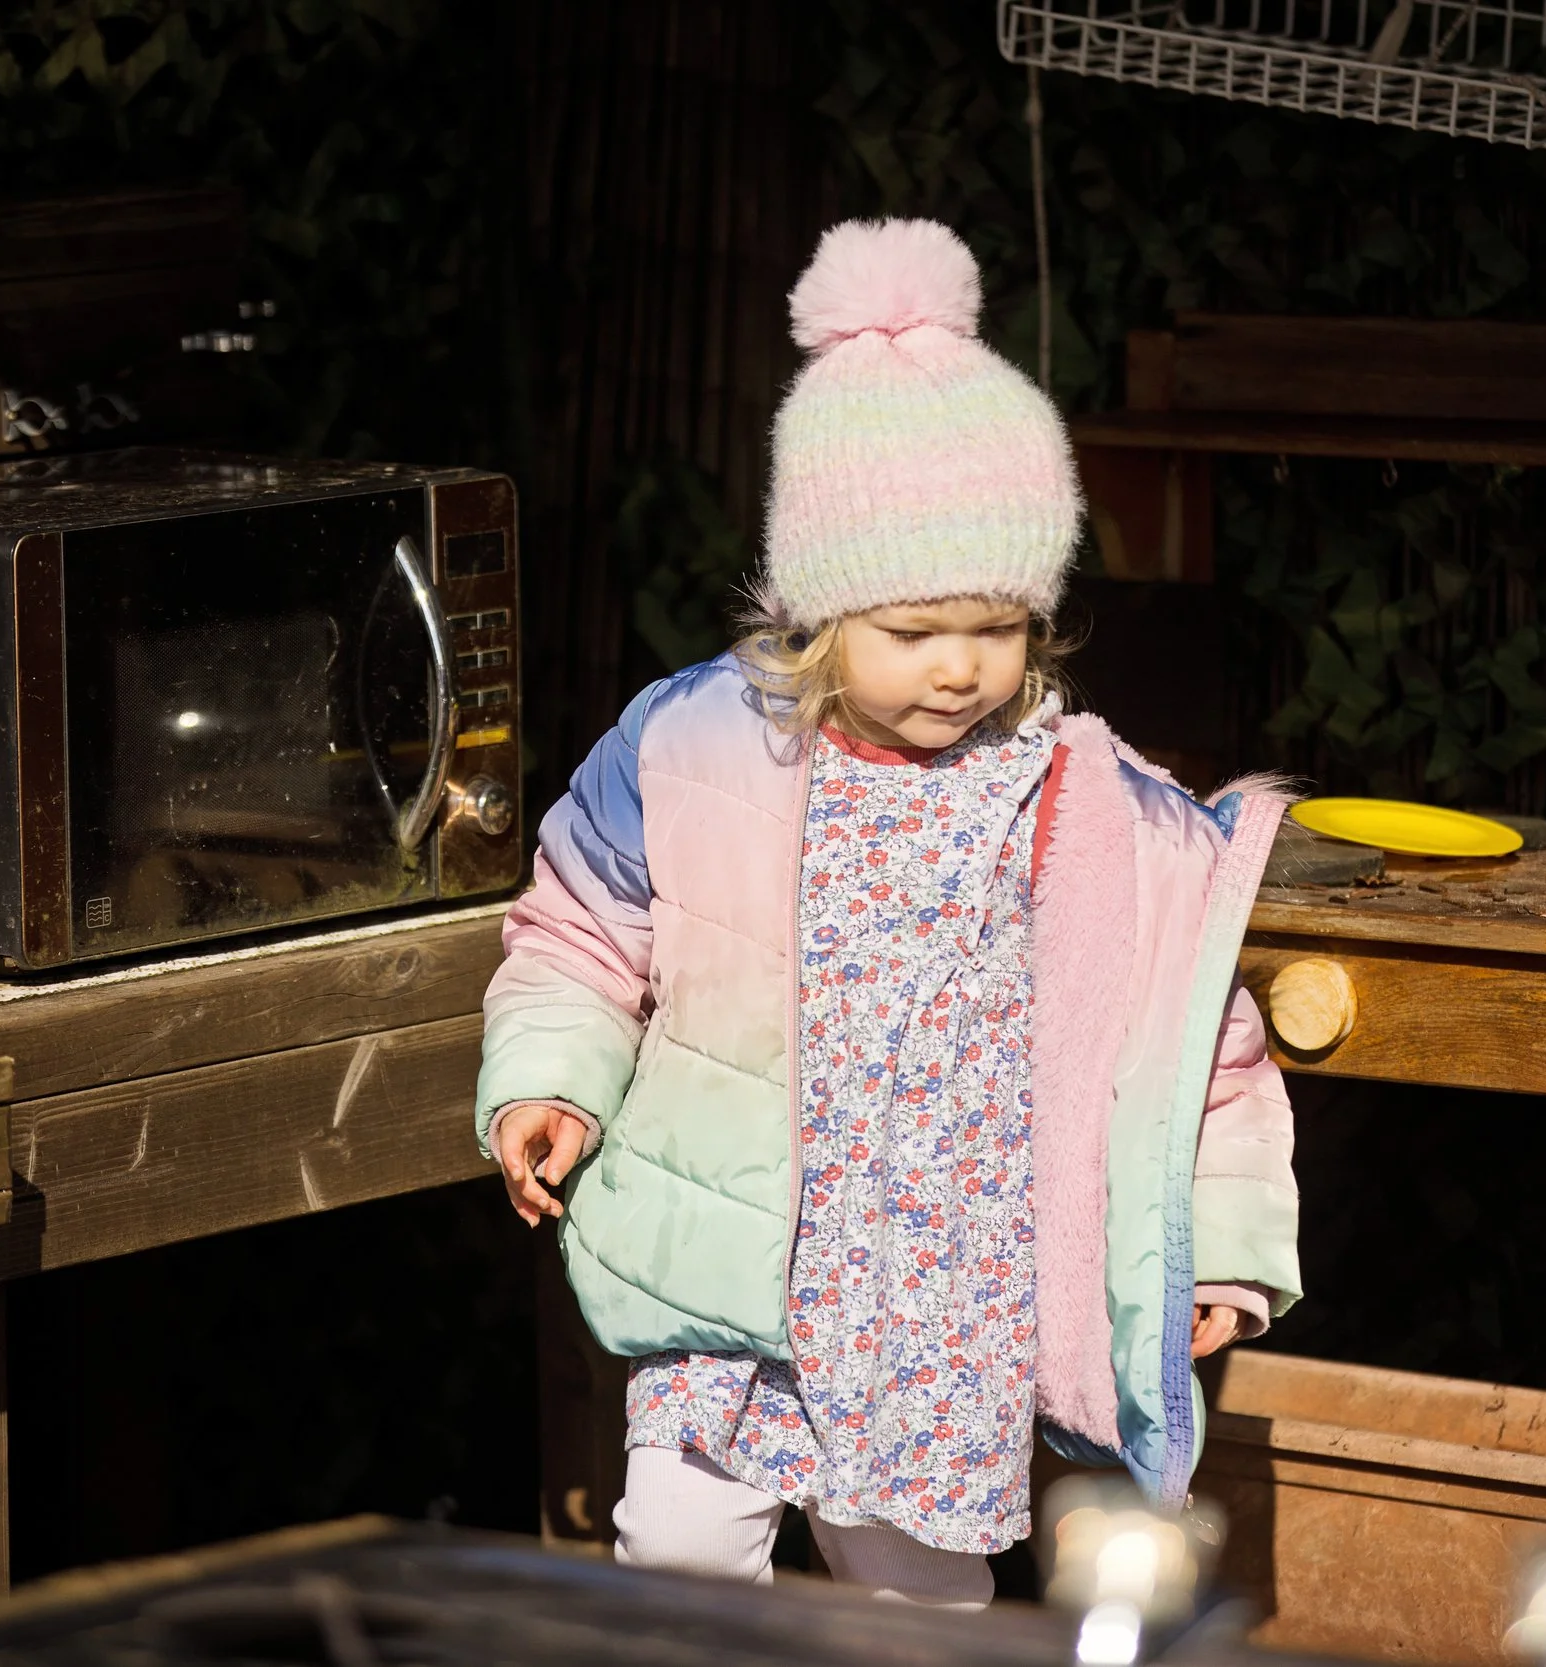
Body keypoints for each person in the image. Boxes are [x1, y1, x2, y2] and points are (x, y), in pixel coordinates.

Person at [474, 217, 1300, 1610]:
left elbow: (1191, 1041)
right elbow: (578, 930)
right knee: (681, 1565)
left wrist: (1217, 1240)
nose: (962, 668)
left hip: (941, 1298)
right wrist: (553, 1077)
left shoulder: (1080, 806)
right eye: (914, 633)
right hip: (738, 1277)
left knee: (924, 1598)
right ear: (818, 610)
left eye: (1000, 625)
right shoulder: (695, 751)